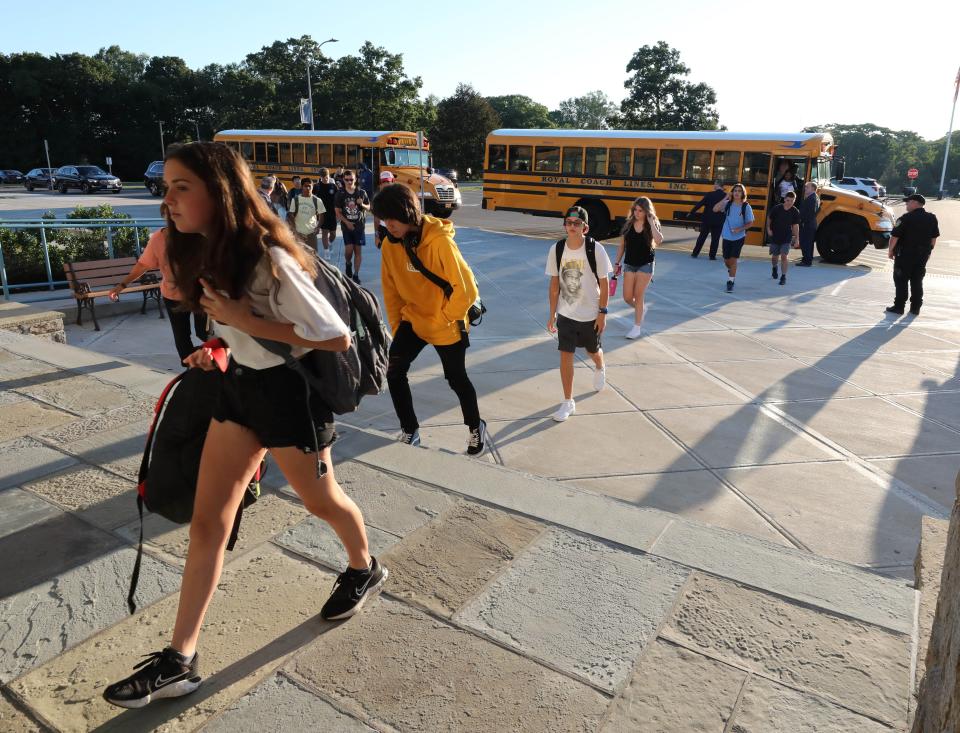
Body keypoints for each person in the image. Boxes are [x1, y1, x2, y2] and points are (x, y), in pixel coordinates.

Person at [102, 142, 387, 709]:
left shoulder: (270, 257)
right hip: (238, 392)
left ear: (219, 191)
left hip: (289, 397)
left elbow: (334, 337)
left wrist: (243, 321)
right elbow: (237, 329)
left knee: (321, 501)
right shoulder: (206, 249)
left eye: (182, 186)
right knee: (209, 522)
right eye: (168, 186)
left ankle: (364, 567)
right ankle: (180, 660)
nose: (169, 199)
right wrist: (220, 344)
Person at [374, 183, 487, 454]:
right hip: (413, 320)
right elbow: (390, 290)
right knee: (394, 370)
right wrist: (398, 325)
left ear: (408, 212)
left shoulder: (438, 240)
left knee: (456, 379)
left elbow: (467, 289)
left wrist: (445, 317)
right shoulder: (390, 246)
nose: (388, 224)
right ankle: (410, 428)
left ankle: (475, 427)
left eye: (393, 217)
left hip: (446, 323)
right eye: (383, 218)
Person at [108, 206, 207, 362]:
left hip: (200, 293)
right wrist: (122, 285)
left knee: (204, 332)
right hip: (173, 294)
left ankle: (212, 361)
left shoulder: (200, 235)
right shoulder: (158, 238)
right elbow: (143, 265)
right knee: (182, 337)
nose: (174, 218)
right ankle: (191, 369)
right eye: (169, 215)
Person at [546, 206, 612, 422]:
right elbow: (554, 283)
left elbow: (604, 282)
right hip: (566, 313)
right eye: (568, 222)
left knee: (593, 351)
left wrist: (602, 313)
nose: (572, 226)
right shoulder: (556, 250)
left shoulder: (596, 250)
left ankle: (600, 365)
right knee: (566, 355)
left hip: (590, 314)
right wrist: (552, 313)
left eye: (576, 223)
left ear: (585, 227)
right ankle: (568, 401)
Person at [614, 197, 662, 339]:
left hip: (646, 264)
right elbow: (622, 246)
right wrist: (617, 263)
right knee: (627, 297)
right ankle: (641, 310)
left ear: (647, 211)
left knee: (638, 295)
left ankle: (636, 327)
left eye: (640, 210)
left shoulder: (651, 224)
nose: (637, 212)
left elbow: (659, 240)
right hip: (629, 263)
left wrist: (652, 221)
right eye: (635, 209)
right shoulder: (628, 225)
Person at [886, 193, 940, 316]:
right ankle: (915, 308)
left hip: (905, 255)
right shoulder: (932, 218)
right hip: (922, 255)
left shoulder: (905, 218)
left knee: (901, 280)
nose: (906, 204)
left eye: (908, 202)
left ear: (915, 203)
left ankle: (899, 307)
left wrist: (890, 251)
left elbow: (895, 236)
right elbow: (933, 237)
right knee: (917, 280)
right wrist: (929, 251)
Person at [713, 182, 754, 292]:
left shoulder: (746, 207)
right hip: (726, 236)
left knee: (733, 260)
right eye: (735, 191)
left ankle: (730, 281)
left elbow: (750, 223)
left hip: (739, 237)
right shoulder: (727, 204)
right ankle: (731, 270)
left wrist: (739, 229)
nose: (736, 193)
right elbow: (715, 209)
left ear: (742, 193)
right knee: (727, 260)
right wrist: (726, 197)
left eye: (739, 191)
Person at [335, 169, 370, 284]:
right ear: (343, 180)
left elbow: (369, 207)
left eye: (351, 179)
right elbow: (338, 212)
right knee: (349, 250)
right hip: (346, 226)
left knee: (358, 251)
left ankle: (356, 274)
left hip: (359, 226)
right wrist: (347, 223)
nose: (349, 182)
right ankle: (348, 263)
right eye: (347, 180)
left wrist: (362, 204)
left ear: (356, 179)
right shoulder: (340, 194)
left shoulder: (361, 193)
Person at [766, 191, 800, 285]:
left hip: (786, 237)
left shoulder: (795, 211)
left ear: (794, 201)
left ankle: (783, 276)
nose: (789, 203)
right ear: (784, 199)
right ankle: (774, 268)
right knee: (774, 256)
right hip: (775, 236)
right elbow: (769, 218)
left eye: (792, 201)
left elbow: (795, 226)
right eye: (788, 200)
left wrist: (797, 239)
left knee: (784, 256)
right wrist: (768, 229)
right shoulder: (777, 208)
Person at [689, 181, 727, 259]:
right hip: (719, 221)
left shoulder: (709, 194)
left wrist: (691, 212)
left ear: (717, 185)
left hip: (707, 220)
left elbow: (699, 204)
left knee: (702, 237)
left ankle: (695, 253)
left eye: (714, 184)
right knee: (715, 239)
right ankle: (712, 256)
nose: (714, 186)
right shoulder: (726, 196)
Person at [286, 177, 325, 253]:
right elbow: (291, 216)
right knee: (299, 256)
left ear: (312, 187)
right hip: (299, 233)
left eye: (309, 186)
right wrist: (294, 231)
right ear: (301, 187)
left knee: (314, 256)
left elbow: (322, 216)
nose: (308, 188)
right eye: (305, 186)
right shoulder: (296, 200)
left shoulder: (317, 200)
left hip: (311, 234)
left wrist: (318, 227)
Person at [315, 168, 339, 259]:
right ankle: (326, 251)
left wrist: (339, 211)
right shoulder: (317, 186)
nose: (326, 178)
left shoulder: (333, 186)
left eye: (327, 176)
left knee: (333, 234)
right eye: (324, 177)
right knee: (324, 232)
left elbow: (338, 199)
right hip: (322, 213)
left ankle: (329, 243)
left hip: (332, 212)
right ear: (320, 177)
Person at [797, 181, 820, 266]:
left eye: (807, 187)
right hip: (810, 223)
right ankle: (807, 260)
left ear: (813, 188)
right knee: (808, 243)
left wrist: (802, 222)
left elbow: (810, 213)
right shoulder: (814, 197)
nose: (805, 188)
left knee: (805, 242)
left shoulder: (812, 198)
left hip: (807, 224)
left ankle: (806, 261)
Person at [373, 170, 396, 248]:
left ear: (393, 182)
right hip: (383, 230)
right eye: (383, 182)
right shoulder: (377, 199)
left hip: (397, 229)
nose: (385, 184)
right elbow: (376, 219)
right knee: (386, 255)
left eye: (388, 181)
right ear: (380, 184)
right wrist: (376, 236)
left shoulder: (399, 196)